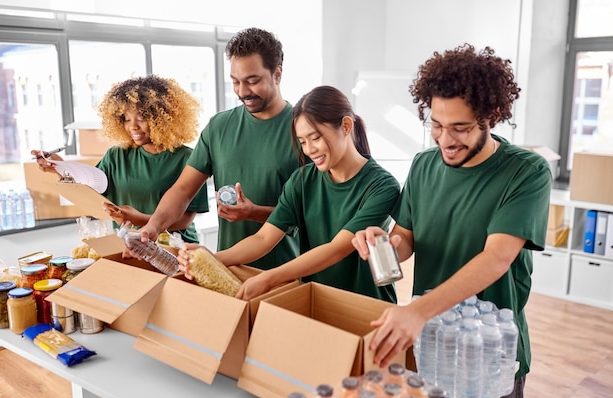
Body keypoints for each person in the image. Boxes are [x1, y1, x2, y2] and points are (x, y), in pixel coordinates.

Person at [351, 44, 551, 398]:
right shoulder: (424, 165)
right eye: (437, 126)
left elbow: (496, 258)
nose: (445, 140)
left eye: (460, 128)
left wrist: (417, 311)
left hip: (492, 353)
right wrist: (386, 244)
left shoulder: (526, 172)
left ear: (491, 116)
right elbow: (407, 238)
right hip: (434, 348)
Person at [179, 85, 401, 302]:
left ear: (345, 126)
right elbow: (263, 238)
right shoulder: (302, 180)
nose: (309, 149)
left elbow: (336, 249)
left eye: (315, 138)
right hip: (316, 300)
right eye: (302, 142)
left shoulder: (382, 186)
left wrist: (270, 278)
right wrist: (211, 259)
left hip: (367, 305)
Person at [137, 27, 300, 270]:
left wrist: (254, 212)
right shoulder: (220, 126)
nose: (243, 92)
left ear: (277, 74)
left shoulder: (304, 131)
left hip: (287, 273)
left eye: (252, 81)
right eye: (235, 82)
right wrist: (154, 225)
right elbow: (183, 190)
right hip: (226, 270)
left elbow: (309, 214)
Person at [32, 74, 208, 243]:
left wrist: (140, 220)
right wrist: (59, 167)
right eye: (126, 119)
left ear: (162, 119)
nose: (133, 127)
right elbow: (89, 188)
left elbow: (184, 220)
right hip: (131, 246)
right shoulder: (117, 156)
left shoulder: (187, 159)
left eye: (142, 118)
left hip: (176, 248)